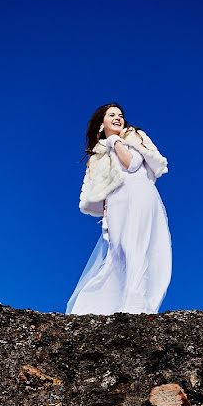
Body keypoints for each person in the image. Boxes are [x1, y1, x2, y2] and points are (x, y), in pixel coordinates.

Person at [67, 103, 172, 315]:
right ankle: (105, 306)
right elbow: (100, 190)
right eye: (112, 115)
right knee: (119, 251)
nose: (118, 118)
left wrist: (115, 141)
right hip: (116, 203)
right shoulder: (96, 156)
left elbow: (132, 164)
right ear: (101, 123)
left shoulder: (132, 136)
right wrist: (105, 216)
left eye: (120, 115)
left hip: (138, 194)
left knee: (137, 246)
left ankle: (136, 306)